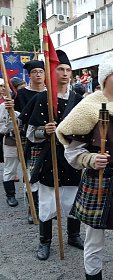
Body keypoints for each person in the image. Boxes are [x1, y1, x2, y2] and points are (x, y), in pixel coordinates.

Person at [56, 52, 113, 280]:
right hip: (100, 182)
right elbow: (72, 151)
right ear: (104, 78)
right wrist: (90, 160)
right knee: (94, 241)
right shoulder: (90, 106)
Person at [18, 50, 85, 260]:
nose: (65, 73)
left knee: (74, 200)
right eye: (60, 69)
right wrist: (43, 131)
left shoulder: (80, 100)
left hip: (72, 158)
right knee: (47, 203)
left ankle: (73, 236)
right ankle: (44, 242)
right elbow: (30, 132)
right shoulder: (41, 98)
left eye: (68, 70)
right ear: (51, 72)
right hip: (50, 158)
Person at [14, 60, 46, 223]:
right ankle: (33, 208)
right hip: (31, 138)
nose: (38, 74)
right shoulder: (23, 94)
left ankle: (47, 207)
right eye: (35, 72)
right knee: (31, 174)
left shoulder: (51, 92)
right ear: (29, 74)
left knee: (49, 175)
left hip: (51, 137)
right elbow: (19, 120)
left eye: (41, 71)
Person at [0, 78, 20, 207]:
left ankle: (32, 199)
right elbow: (1, 127)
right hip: (11, 139)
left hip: (26, 140)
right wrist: (12, 124)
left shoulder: (23, 102)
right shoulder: (3, 106)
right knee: (9, 169)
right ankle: (10, 195)